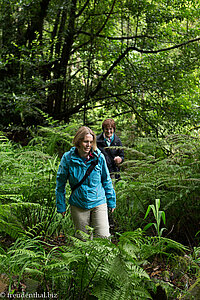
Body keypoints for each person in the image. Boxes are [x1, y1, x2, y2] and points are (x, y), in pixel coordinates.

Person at [55, 126, 116, 240]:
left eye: (91, 142)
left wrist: (111, 200)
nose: (88, 145)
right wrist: (61, 206)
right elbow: (60, 184)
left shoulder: (99, 157)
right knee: (83, 241)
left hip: (98, 201)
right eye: (85, 142)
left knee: (103, 238)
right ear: (78, 142)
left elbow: (106, 180)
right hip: (78, 204)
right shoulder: (68, 159)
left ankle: (103, 259)